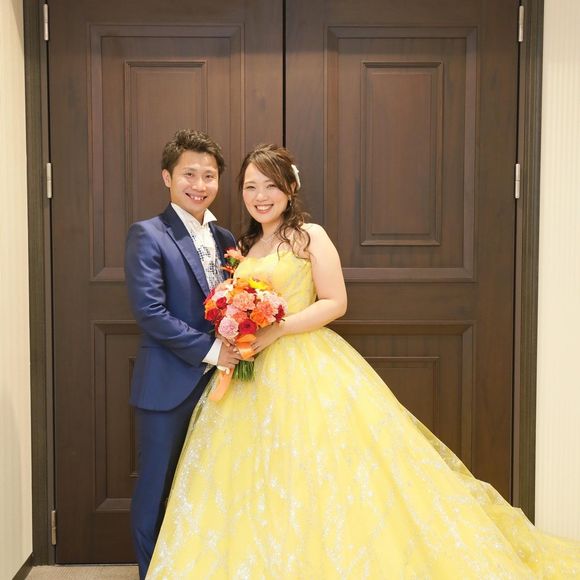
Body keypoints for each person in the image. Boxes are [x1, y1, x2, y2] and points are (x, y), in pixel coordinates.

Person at [147, 144, 580, 578]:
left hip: (304, 364)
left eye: (271, 186)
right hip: (250, 372)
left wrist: (277, 329)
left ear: (291, 188)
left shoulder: (309, 236)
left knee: (319, 470)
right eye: (250, 187)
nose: (261, 196)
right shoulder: (245, 245)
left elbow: (335, 302)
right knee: (251, 474)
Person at [125, 129, 242, 579]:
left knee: (208, 485)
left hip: (223, 386)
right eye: (189, 174)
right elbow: (150, 312)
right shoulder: (148, 235)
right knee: (156, 488)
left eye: (209, 175)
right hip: (168, 386)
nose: (199, 184)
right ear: (167, 177)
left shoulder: (226, 237)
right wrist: (213, 350)